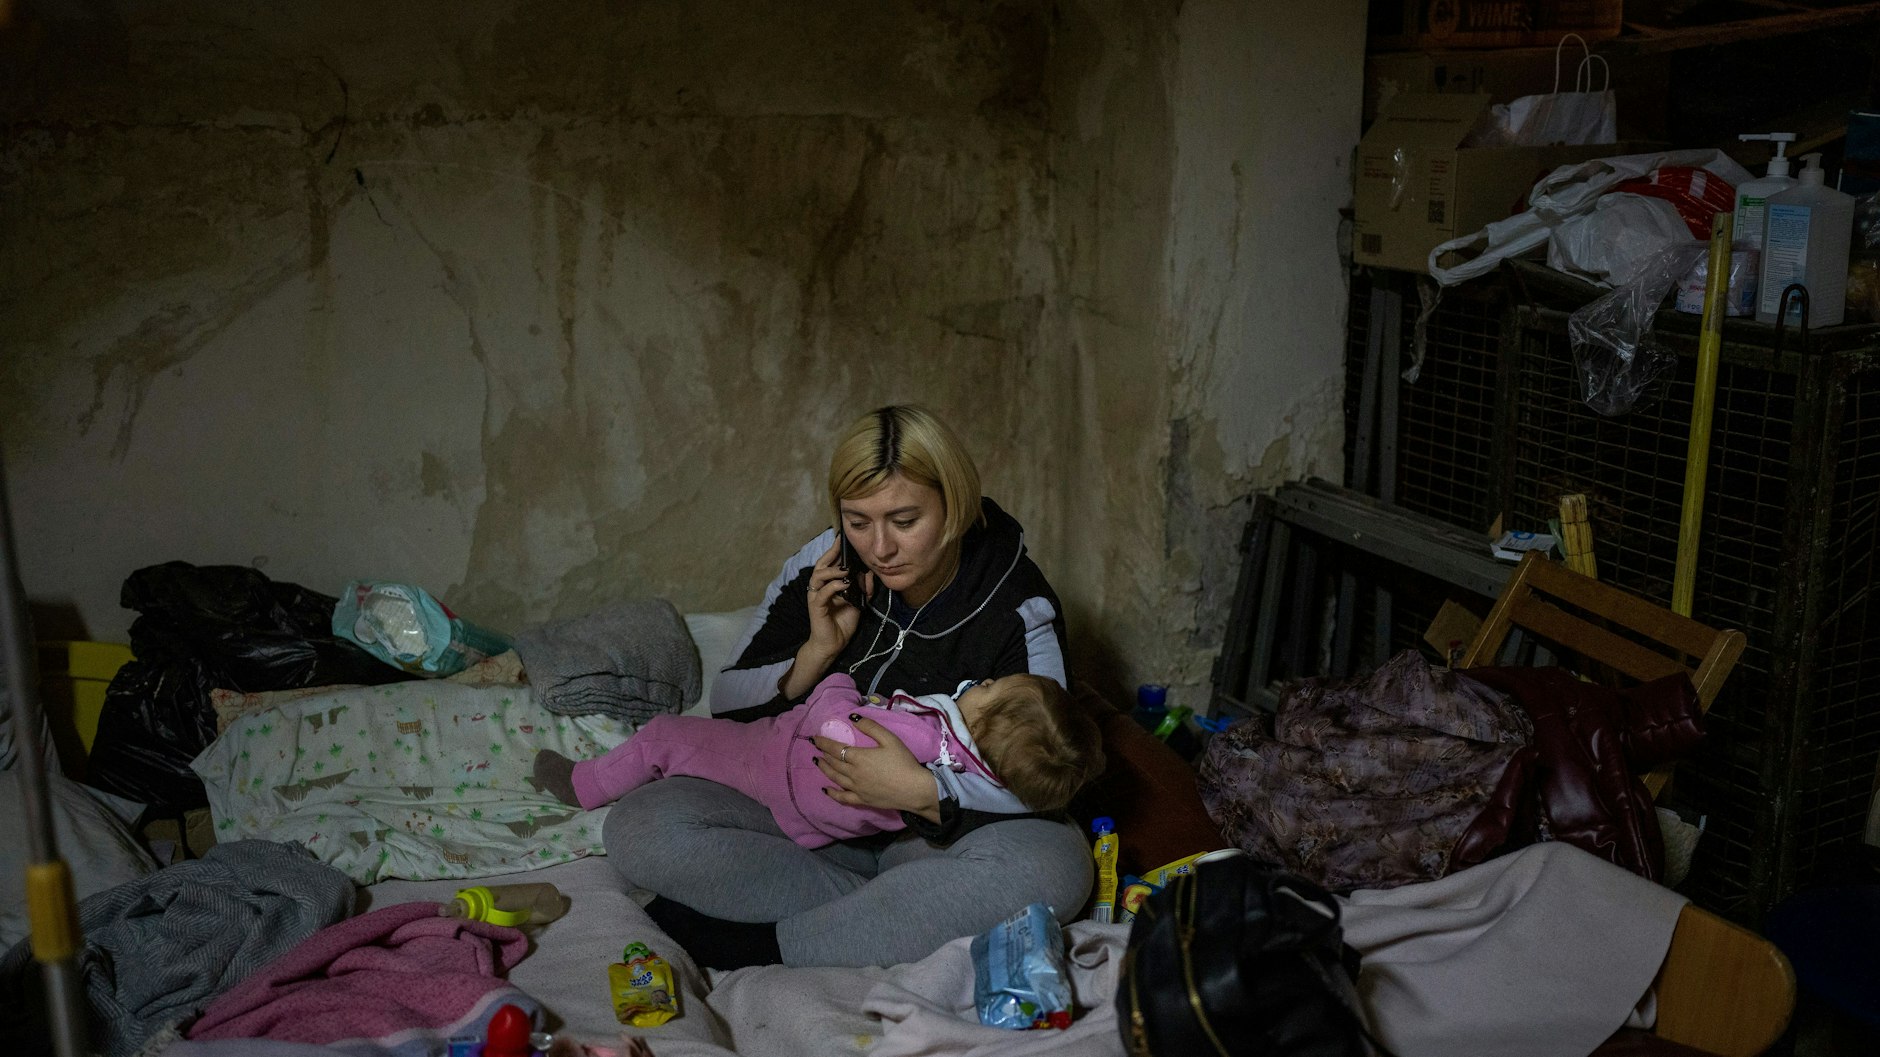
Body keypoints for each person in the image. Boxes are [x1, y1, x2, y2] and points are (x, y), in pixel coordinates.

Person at [601, 404, 1094, 969]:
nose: (879, 548)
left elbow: (1046, 782)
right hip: (806, 812)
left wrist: (919, 794)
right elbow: (727, 705)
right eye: (858, 521)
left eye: (905, 522)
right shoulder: (826, 562)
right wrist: (817, 653)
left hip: (929, 844)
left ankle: (767, 943)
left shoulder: (1018, 608)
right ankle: (879, 919)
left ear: (955, 507)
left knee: (1057, 865)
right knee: (641, 823)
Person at [534, 670, 1103, 847]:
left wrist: (837, 681)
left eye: (990, 685)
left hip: (780, 760)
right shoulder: (987, 782)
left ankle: (585, 784)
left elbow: (829, 725)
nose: (976, 681)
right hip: (816, 820)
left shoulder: (928, 738)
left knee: (664, 735)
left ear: (980, 722)